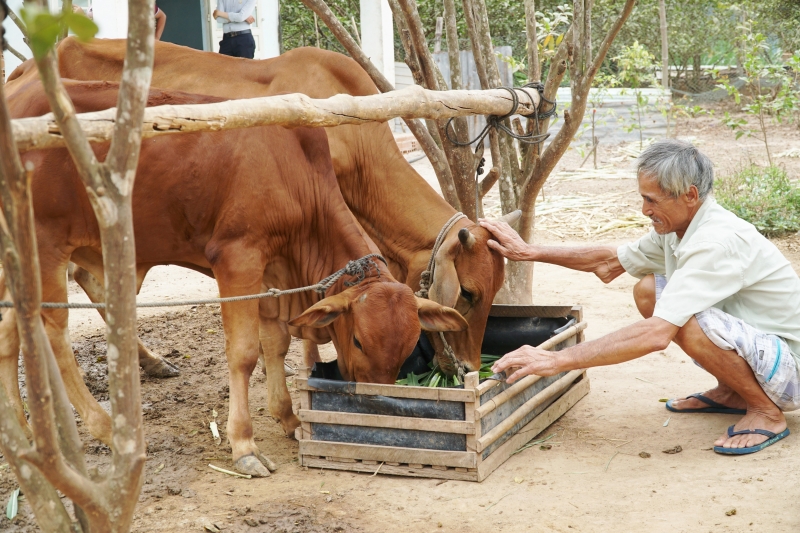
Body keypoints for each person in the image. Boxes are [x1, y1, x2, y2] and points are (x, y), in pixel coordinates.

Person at [479, 139, 800, 456]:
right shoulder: (679, 228)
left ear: (689, 195)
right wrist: (528, 251)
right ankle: (733, 393)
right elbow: (609, 261)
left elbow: (656, 335)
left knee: (681, 321)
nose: (645, 210)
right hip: (764, 353)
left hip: (790, 372)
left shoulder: (714, 242)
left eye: (652, 200)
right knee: (649, 289)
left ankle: (765, 412)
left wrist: (554, 360)